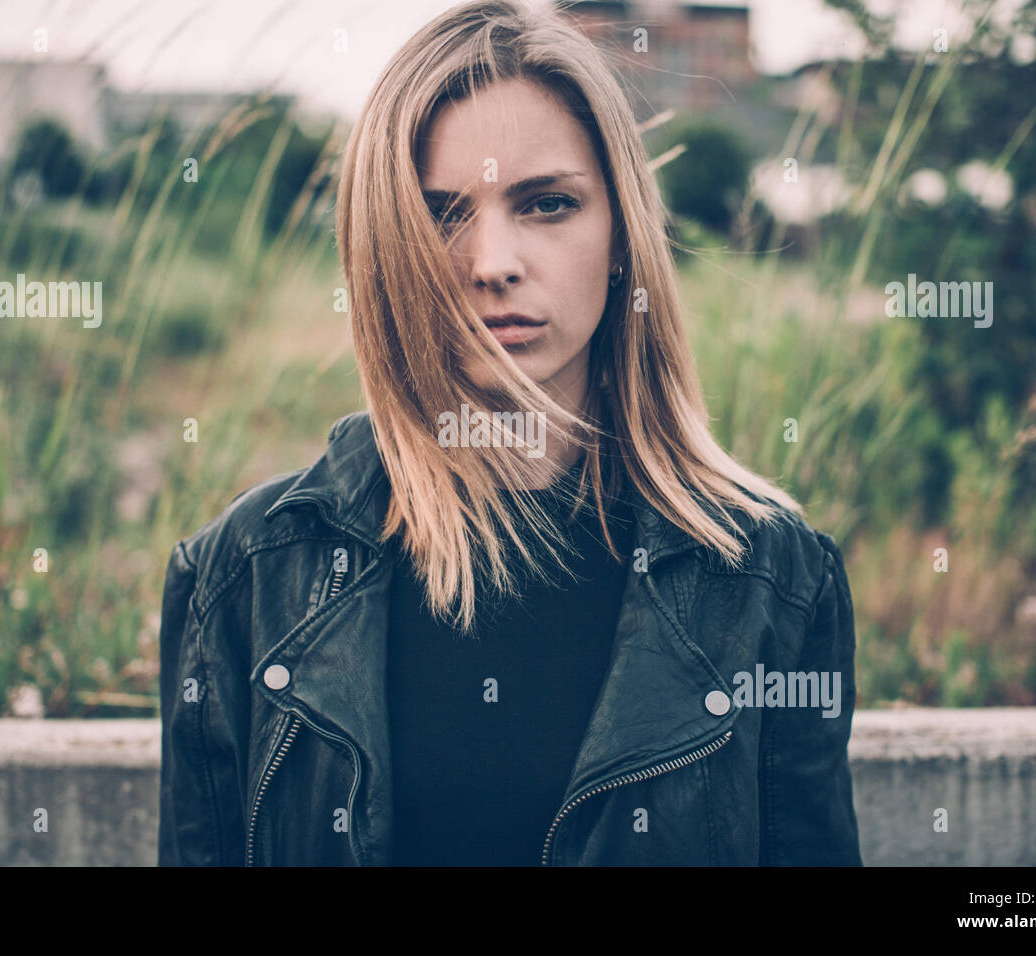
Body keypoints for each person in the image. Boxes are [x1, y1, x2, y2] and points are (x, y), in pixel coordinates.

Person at [158, 0, 861, 866]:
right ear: (388, 246)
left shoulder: (769, 578)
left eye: (547, 204)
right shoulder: (246, 575)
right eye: (444, 213)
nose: (492, 262)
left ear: (620, 237)